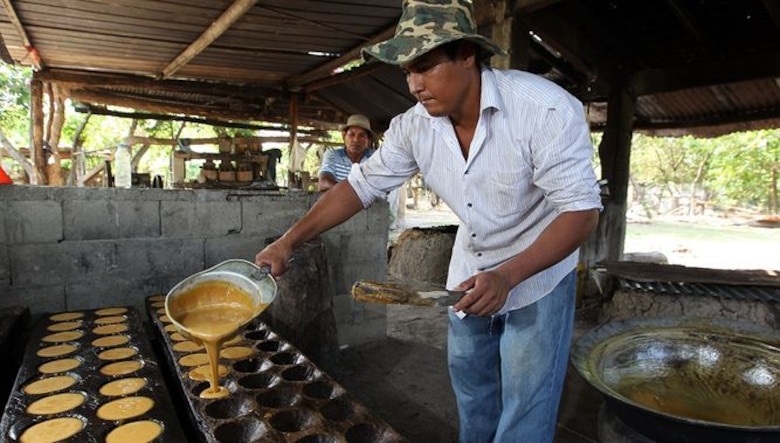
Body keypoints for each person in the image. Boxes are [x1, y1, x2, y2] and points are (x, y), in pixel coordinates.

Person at [256, 0, 602, 441]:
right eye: (407, 71)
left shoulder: (543, 110)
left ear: (466, 55)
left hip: (538, 274)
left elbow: (580, 211)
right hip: (469, 272)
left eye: (425, 66)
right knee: (473, 387)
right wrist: (289, 241)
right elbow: (359, 187)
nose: (415, 84)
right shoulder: (413, 127)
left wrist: (509, 275)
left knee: (526, 402)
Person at [317, 114, 376, 192]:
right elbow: (323, 183)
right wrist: (355, 194)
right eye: (351, 134)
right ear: (344, 136)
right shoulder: (333, 155)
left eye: (362, 135)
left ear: (368, 140)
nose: (356, 140)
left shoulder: (375, 158)